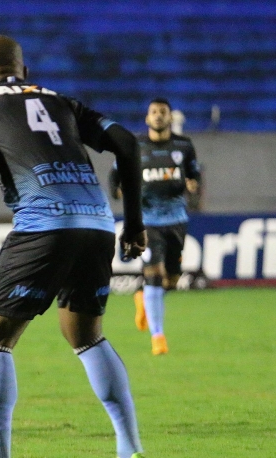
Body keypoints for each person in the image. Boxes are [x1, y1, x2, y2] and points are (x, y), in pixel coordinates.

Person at [0, 35, 150, 458]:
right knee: (85, 335)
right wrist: (133, 224)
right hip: (97, 224)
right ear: (24, 67)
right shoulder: (62, 101)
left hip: (43, 224)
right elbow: (128, 145)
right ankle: (131, 452)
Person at [110, 98, 200, 355]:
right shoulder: (135, 145)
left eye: (163, 112)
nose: (158, 116)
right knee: (154, 274)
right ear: (147, 118)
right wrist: (117, 191)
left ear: (170, 117)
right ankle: (158, 337)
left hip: (176, 220)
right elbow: (115, 174)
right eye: (154, 112)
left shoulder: (184, 146)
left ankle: (142, 298)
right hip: (146, 221)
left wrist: (193, 183)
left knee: (170, 280)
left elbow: (194, 173)